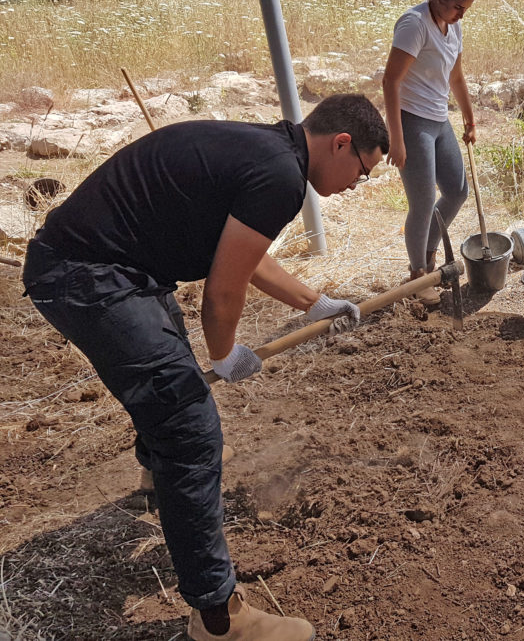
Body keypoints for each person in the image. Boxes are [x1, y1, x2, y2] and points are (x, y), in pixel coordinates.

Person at [22, 94, 389, 641]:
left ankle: (157, 472)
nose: (355, 185)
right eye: (361, 172)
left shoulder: (266, 151)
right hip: (90, 275)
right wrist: (224, 354)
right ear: (341, 144)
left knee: (172, 388)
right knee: (191, 428)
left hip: (115, 268)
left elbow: (245, 251)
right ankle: (220, 619)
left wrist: (314, 302)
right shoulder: (280, 175)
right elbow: (221, 293)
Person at [383, 0, 477, 305]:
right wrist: (397, 139)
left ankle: (430, 251)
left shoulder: (453, 27)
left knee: (457, 190)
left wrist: (468, 117)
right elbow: (391, 82)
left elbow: (456, 74)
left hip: (439, 119)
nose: (460, 15)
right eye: (457, 7)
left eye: (465, 9)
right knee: (421, 203)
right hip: (412, 120)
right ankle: (417, 273)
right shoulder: (414, 24)